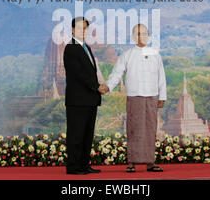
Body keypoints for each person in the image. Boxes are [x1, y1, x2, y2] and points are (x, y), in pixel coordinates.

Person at [104, 23, 167, 173]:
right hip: (134, 96)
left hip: (152, 96)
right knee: (133, 128)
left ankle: (150, 163)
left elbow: (161, 77)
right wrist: (107, 86)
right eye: (138, 33)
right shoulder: (127, 54)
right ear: (133, 36)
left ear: (149, 36)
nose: (142, 36)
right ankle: (131, 162)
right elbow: (117, 74)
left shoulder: (155, 54)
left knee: (151, 129)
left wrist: (162, 96)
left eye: (144, 33)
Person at [63, 16, 109, 175]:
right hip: (77, 100)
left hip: (90, 99)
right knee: (76, 134)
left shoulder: (86, 47)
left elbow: (90, 72)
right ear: (73, 30)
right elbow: (79, 73)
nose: (83, 31)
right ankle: (74, 167)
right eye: (80, 28)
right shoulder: (71, 48)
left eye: (85, 28)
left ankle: (84, 165)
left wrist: (98, 88)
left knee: (87, 135)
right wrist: (97, 87)